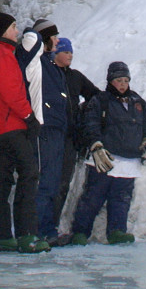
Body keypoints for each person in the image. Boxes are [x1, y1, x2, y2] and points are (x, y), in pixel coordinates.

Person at [0, 12, 50, 253]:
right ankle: (26, 234)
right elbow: (10, 91)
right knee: (28, 175)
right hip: (12, 124)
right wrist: (29, 116)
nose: (16, 32)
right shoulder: (1, 54)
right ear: (3, 30)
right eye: (13, 27)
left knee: (1, 179)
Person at [71, 61, 146, 246]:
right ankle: (80, 232)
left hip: (129, 161)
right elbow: (90, 123)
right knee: (93, 196)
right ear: (110, 81)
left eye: (126, 80)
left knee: (122, 198)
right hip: (105, 158)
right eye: (119, 80)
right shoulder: (100, 101)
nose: (123, 84)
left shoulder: (138, 102)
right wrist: (96, 145)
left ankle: (117, 231)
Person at [16, 19, 70, 246]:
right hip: (44, 128)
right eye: (54, 37)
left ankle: (48, 229)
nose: (58, 41)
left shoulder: (50, 64)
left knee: (53, 182)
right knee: (43, 180)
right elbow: (29, 40)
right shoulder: (36, 60)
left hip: (57, 128)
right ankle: (35, 230)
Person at [51, 37, 99, 228]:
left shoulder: (75, 77)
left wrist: (84, 109)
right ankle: (42, 226)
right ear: (56, 53)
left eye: (71, 52)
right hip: (50, 135)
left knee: (63, 182)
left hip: (70, 136)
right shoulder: (48, 74)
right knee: (48, 183)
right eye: (66, 52)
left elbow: (96, 95)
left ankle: (52, 225)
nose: (70, 55)